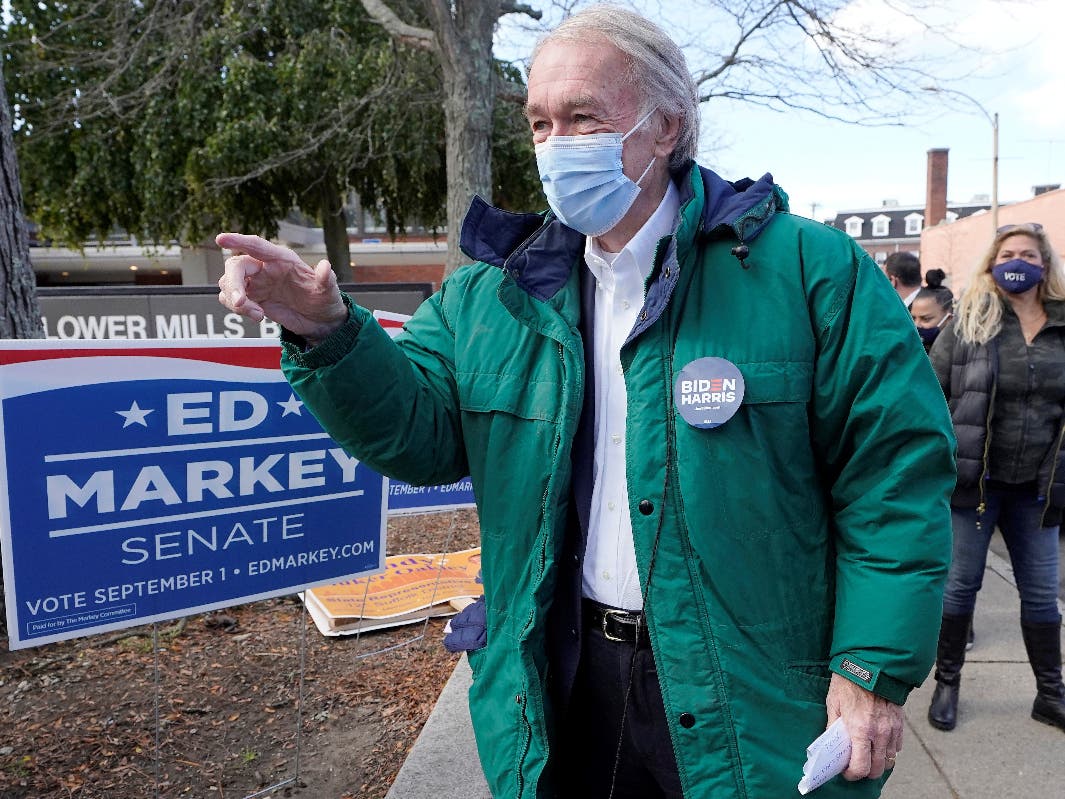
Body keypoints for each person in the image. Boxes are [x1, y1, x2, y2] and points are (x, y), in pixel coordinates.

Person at [216, 6, 956, 797]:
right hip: (564, 673)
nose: (554, 147)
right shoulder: (489, 298)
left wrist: (869, 667)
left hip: (742, 683)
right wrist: (327, 331)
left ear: (666, 125)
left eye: (582, 118)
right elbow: (418, 439)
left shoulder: (808, 271)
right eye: (538, 123)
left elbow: (893, 475)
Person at [927, 222, 1065, 734]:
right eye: (1008, 253)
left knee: (1041, 591)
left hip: (1039, 489)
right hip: (975, 488)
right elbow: (930, 394)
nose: (1019, 261)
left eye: (1029, 253)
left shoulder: (1062, 325)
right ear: (991, 263)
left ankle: (1050, 694)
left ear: (1045, 265)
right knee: (961, 587)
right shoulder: (968, 324)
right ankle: (947, 683)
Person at [910, 270, 954, 351]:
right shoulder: (909, 351)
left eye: (926, 319)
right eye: (913, 318)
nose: (916, 325)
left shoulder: (962, 352)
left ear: (949, 319)